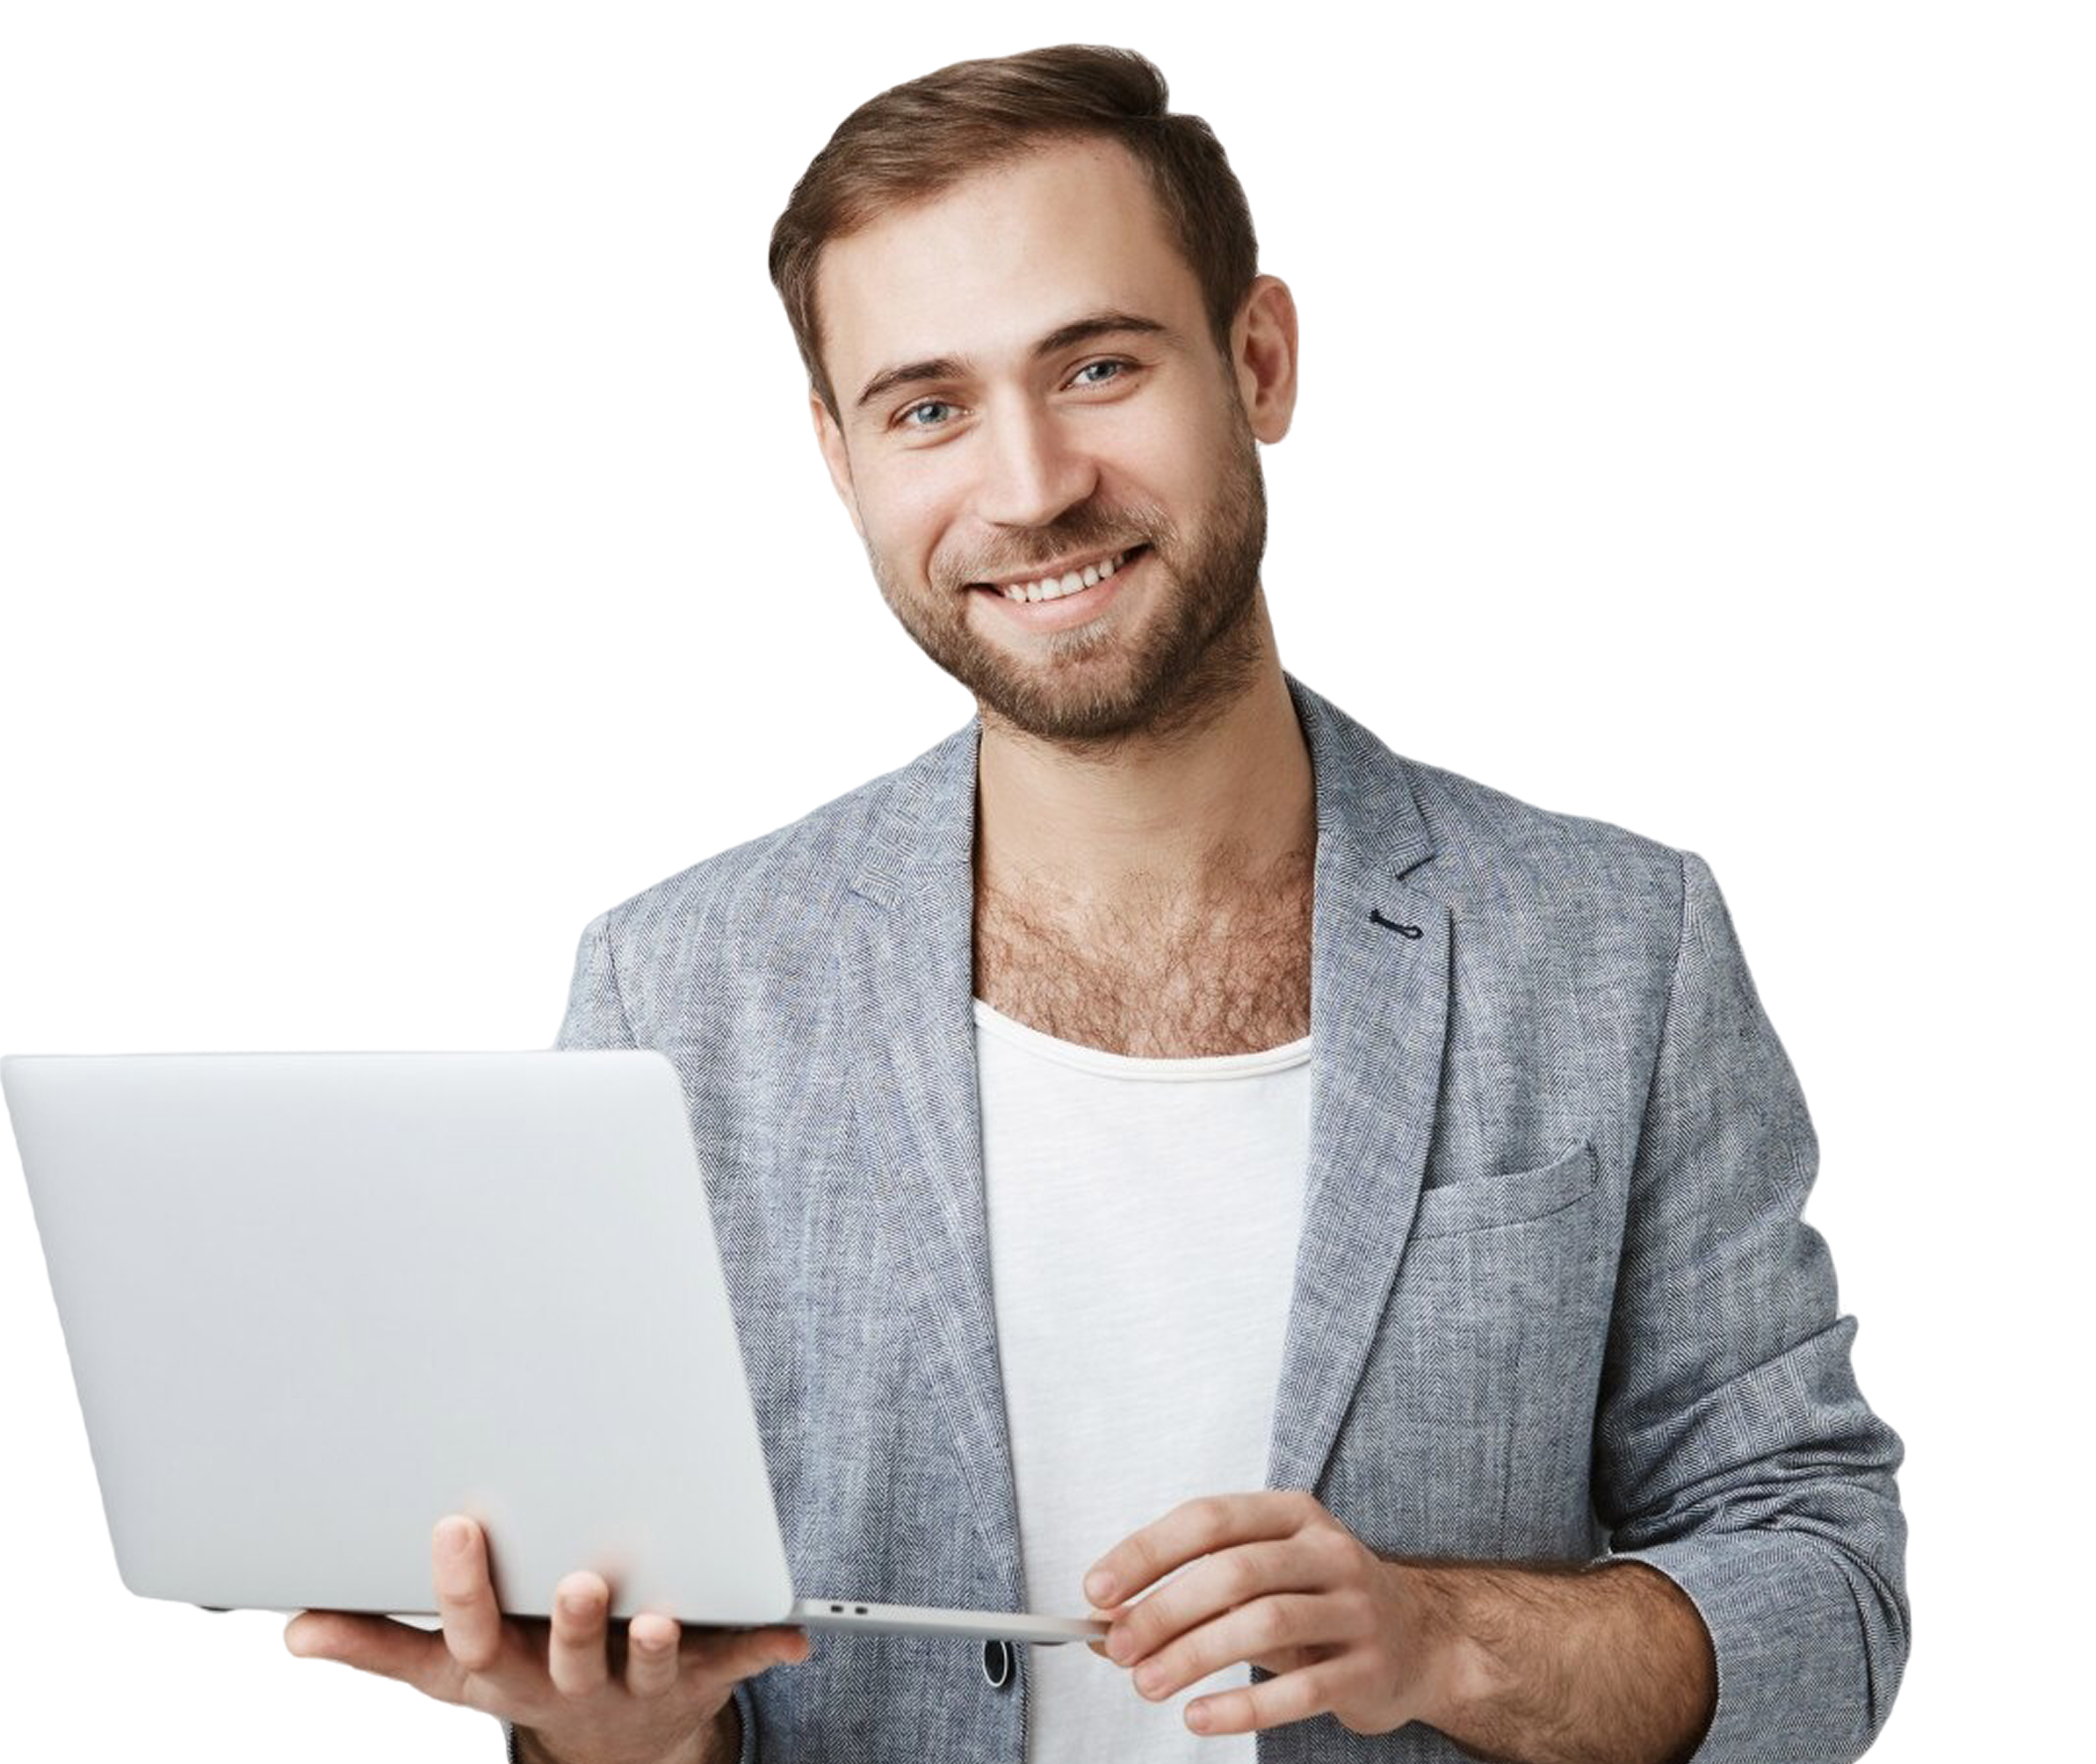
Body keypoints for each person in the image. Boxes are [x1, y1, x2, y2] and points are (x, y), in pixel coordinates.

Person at [283, 43, 1912, 1763]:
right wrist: (618, 1732)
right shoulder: (671, 984)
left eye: (1096, 365)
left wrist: (1447, 1635)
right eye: (927, 406)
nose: (1030, 483)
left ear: (1259, 359)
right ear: (838, 460)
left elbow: (1827, 1591)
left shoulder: (1615, 941)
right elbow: (622, 1653)